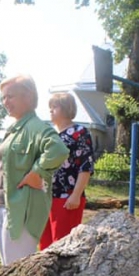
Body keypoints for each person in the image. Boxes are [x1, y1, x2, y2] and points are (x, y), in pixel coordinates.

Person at [0, 75, 68, 265]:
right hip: (5, 205)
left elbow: (58, 150)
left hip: (22, 209)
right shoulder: (15, 129)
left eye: (10, 96)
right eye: (3, 97)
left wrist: (38, 172)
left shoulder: (36, 127)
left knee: (15, 268)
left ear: (28, 97)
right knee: (8, 267)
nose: (5, 102)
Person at [39, 92, 95, 250]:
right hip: (45, 196)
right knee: (45, 246)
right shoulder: (49, 134)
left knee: (62, 245)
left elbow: (86, 166)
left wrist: (76, 195)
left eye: (54, 106)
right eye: (50, 106)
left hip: (67, 197)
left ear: (66, 108)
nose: (50, 110)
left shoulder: (80, 133)